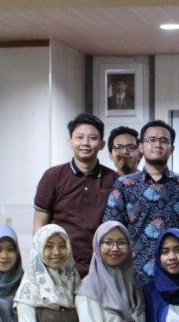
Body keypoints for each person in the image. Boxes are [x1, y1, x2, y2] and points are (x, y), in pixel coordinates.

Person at [104, 119, 179, 284]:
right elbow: (112, 232)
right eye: (152, 140)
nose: (158, 144)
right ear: (141, 147)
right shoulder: (124, 185)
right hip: (135, 278)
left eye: (164, 140)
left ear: (172, 148)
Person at [33, 113, 118, 275]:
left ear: (101, 144)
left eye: (92, 138)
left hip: (100, 268)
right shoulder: (53, 176)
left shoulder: (113, 179)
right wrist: (41, 264)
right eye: (79, 137)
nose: (85, 143)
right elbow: (40, 226)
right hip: (58, 267)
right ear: (70, 142)